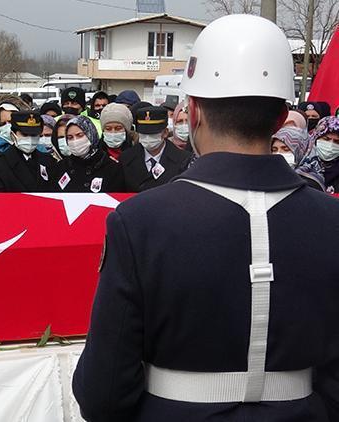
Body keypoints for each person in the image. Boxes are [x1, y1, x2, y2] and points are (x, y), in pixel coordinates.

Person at [73, 14, 339, 422]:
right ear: (283, 117)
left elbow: (103, 392)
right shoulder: (330, 220)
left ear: (192, 111)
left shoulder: (140, 222)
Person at [120, 105, 192, 192]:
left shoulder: (183, 159)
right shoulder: (126, 157)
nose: (147, 137)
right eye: (143, 133)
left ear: (165, 132)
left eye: (152, 134)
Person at [48, 116, 124, 193]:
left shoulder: (111, 167)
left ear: (91, 134)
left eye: (80, 135)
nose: (75, 141)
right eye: (70, 137)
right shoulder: (61, 167)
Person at [0, 111, 56, 192]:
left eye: (34, 135)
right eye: (24, 134)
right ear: (13, 135)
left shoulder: (48, 161)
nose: (30, 139)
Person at [271, 126, 325, 190]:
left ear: (302, 150)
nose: (279, 153)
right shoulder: (268, 175)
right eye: (274, 150)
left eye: (286, 149)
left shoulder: (311, 183)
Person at [312, 116, 339, 193]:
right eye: (326, 139)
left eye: (337, 142)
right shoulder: (303, 164)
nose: (331, 145)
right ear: (316, 138)